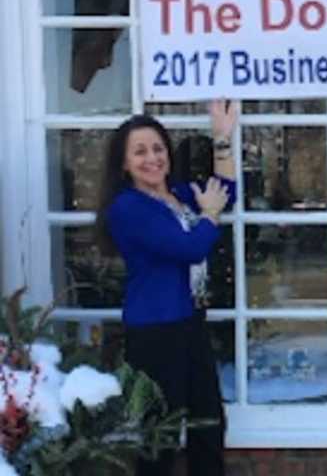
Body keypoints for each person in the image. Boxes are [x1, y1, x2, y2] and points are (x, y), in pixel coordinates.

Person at [95, 100, 239, 476]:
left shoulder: (175, 195)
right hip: (156, 330)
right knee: (160, 435)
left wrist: (222, 139)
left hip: (190, 323)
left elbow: (225, 191)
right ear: (123, 163)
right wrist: (208, 215)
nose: (152, 158)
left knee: (208, 422)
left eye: (158, 148)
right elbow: (189, 248)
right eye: (139, 151)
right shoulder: (127, 207)